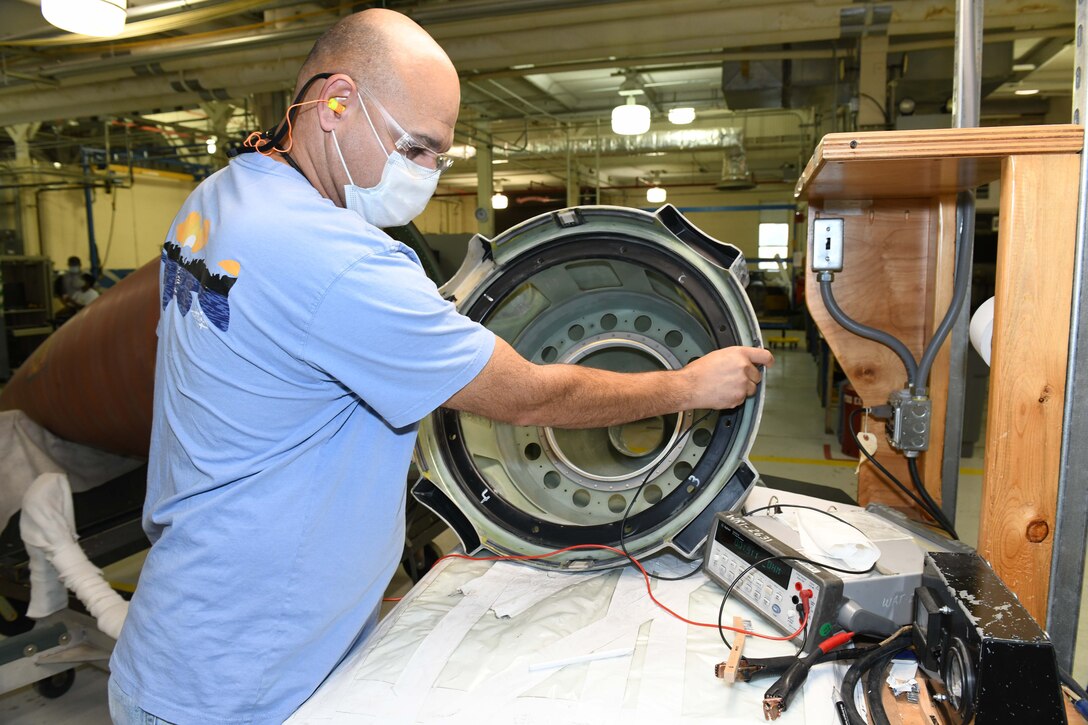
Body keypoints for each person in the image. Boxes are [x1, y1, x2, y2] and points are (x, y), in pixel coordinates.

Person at [107, 9, 774, 723]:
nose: (425, 173)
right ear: (336, 103)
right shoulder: (340, 262)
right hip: (244, 683)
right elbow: (527, 395)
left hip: (186, 632)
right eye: (416, 147)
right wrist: (687, 385)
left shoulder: (220, 197)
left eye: (439, 157)